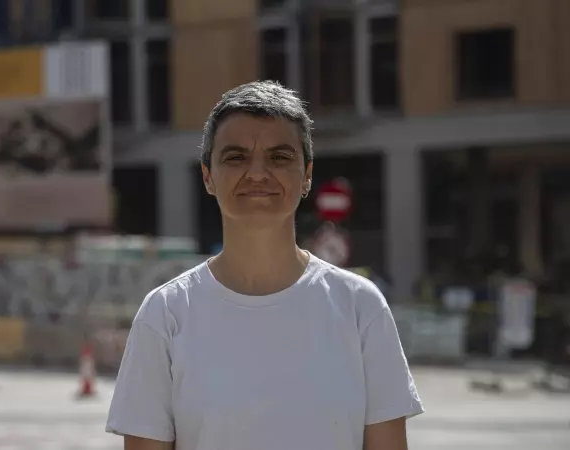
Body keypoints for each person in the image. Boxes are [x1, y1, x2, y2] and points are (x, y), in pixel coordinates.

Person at [106, 81, 424, 450]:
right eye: (236, 157)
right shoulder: (166, 314)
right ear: (207, 176)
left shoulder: (360, 307)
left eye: (279, 157)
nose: (258, 174)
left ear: (306, 175)